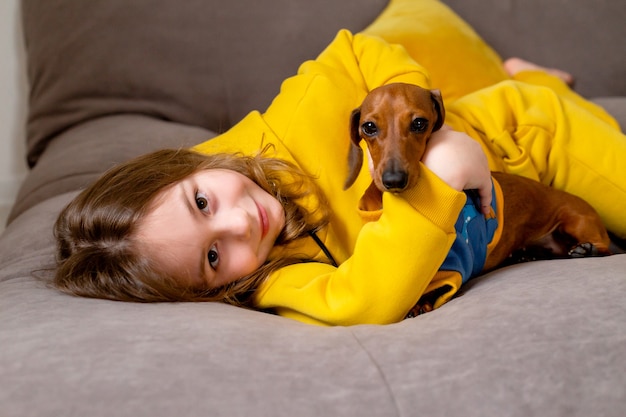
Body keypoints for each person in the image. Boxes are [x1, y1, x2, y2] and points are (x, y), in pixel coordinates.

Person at [53, 30, 626, 326]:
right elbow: (361, 301)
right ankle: (544, 77)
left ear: (188, 167)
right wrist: (439, 182)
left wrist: (443, 135)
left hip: (523, 134)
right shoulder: (276, 280)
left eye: (201, 202)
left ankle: (542, 85)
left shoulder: (292, 116)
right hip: (501, 201)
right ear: (213, 290)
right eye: (212, 258)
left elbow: (359, 50)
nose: (237, 224)